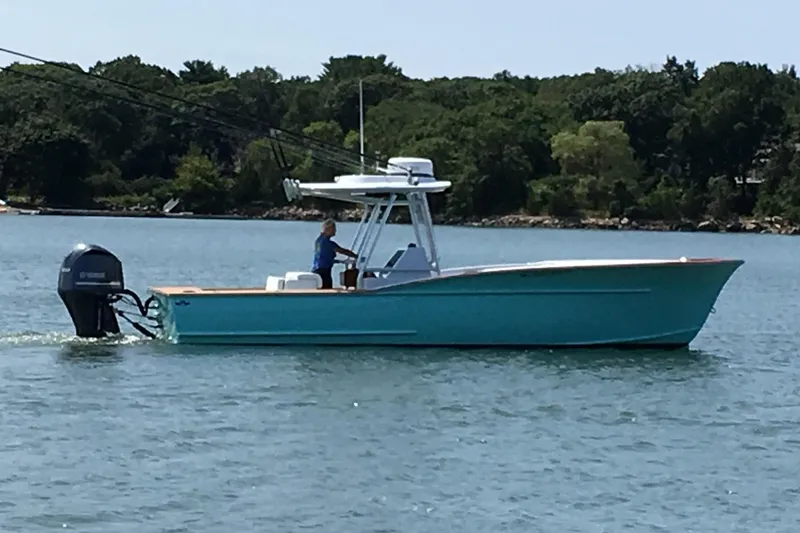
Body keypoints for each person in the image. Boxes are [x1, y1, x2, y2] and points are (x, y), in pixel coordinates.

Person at [312, 219, 357, 289]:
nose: (335, 231)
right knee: (327, 289)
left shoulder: (318, 240)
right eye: (334, 229)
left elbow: (323, 255)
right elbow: (342, 251)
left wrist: (336, 261)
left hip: (316, 269)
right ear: (328, 229)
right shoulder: (327, 243)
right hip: (323, 271)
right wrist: (356, 256)